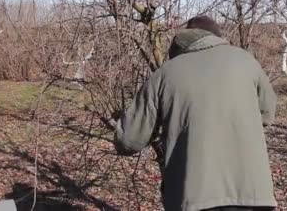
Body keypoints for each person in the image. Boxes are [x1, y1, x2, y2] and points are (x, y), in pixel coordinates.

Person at [113, 15, 278, 211]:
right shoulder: (247, 61)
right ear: (217, 37)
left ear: (181, 41)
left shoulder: (165, 74)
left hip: (193, 197)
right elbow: (267, 114)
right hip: (254, 194)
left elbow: (129, 140)